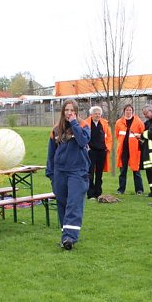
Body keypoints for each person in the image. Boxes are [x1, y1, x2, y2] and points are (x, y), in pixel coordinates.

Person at [46, 99, 91, 250]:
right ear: (62, 111)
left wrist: (74, 124)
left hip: (77, 172)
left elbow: (83, 140)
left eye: (72, 110)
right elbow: (51, 154)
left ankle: (70, 238)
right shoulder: (56, 130)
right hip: (60, 172)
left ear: (76, 112)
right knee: (63, 204)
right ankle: (65, 235)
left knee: (74, 203)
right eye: (66, 110)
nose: (69, 113)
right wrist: (51, 174)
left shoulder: (83, 126)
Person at [80, 106, 112, 200]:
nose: (97, 115)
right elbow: (82, 136)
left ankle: (98, 192)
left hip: (102, 151)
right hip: (91, 151)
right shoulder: (85, 123)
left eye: (99, 114)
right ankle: (90, 193)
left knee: (99, 173)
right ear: (91, 114)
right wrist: (86, 147)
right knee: (90, 172)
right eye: (95, 113)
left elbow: (109, 138)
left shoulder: (104, 124)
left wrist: (107, 148)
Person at [113, 104, 145, 195]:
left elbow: (142, 134)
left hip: (134, 150)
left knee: (136, 170)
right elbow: (117, 135)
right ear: (124, 111)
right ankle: (121, 189)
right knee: (122, 171)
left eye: (130, 110)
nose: (128, 112)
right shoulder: (119, 122)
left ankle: (139, 190)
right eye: (126, 110)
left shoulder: (138, 122)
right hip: (123, 150)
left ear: (133, 111)